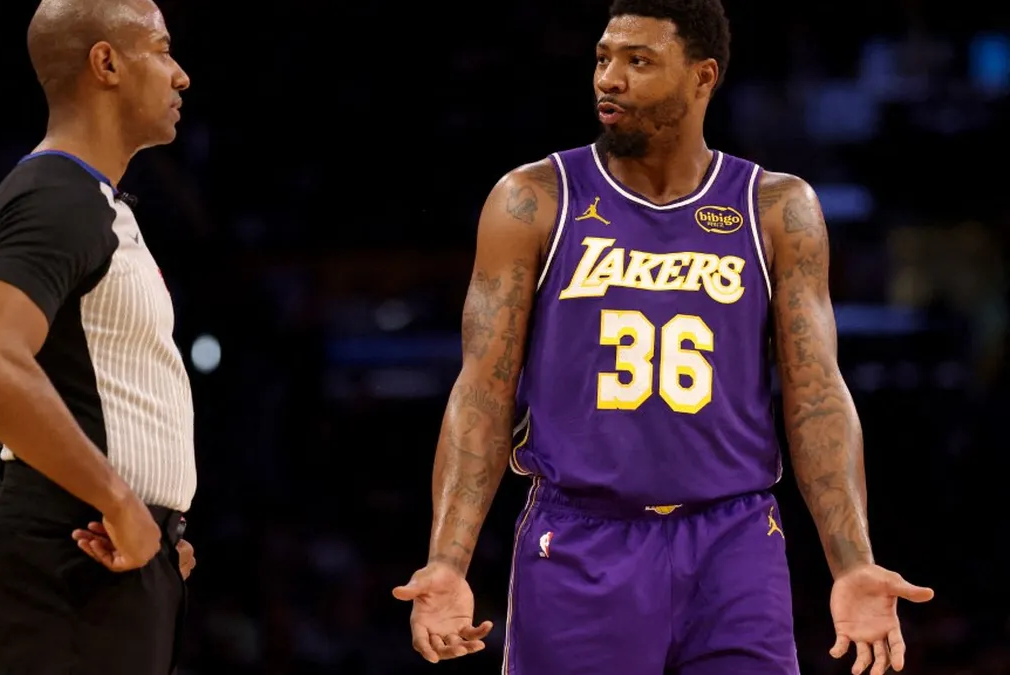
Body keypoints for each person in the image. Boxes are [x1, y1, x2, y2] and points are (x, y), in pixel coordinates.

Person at [392, 1, 935, 674]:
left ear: (703, 76)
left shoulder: (776, 207)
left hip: (735, 539)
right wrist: (447, 560)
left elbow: (818, 394)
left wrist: (852, 562)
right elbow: (482, 391)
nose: (609, 79)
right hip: (580, 537)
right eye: (603, 58)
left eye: (638, 61)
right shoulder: (533, 199)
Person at [0, 0, 196, 673]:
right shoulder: (57, 194)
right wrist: (121, 503)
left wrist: (154, 521)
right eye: (161, 50)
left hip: (99, 553)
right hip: (69, 553)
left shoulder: (85, 198)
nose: (181, 75)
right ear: (106, 63)